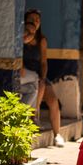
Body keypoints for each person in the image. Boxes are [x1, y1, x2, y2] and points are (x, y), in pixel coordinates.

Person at [20, 8, 64, 147]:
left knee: (53, 100)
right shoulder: (21, 37)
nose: (35, 22)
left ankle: (57, 135)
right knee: (37, 87)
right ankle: (33, 118)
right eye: (32, 19)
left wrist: (43, 77)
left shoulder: (41, 40)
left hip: (39, 73)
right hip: (25, 73)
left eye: (38, 20)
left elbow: (44, 62)